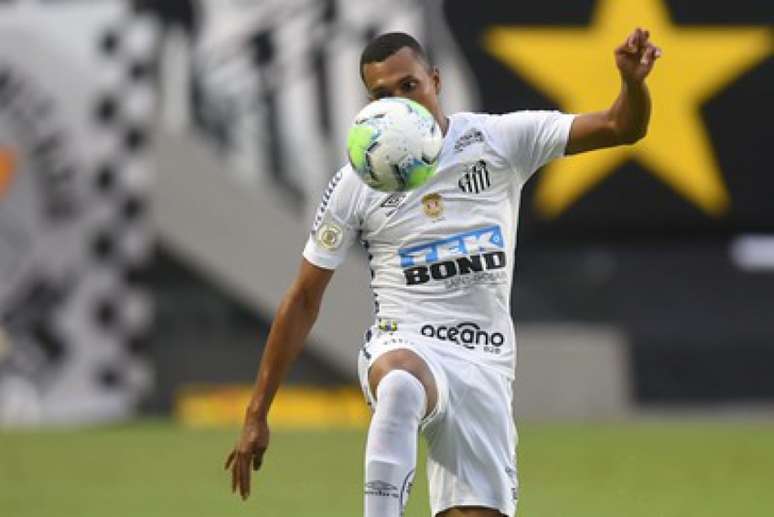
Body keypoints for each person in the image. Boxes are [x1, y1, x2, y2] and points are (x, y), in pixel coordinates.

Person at [226, 28, 661, 517]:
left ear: (435, 80)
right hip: (404, 339)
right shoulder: (356, 182)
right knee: (400, 386)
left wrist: (632, 84)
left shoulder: (498, 141)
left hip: (485, 362)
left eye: (409, 86)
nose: (400, 103)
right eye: (382, 95)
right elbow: (304, 298)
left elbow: (621, 127)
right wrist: (256, 413)